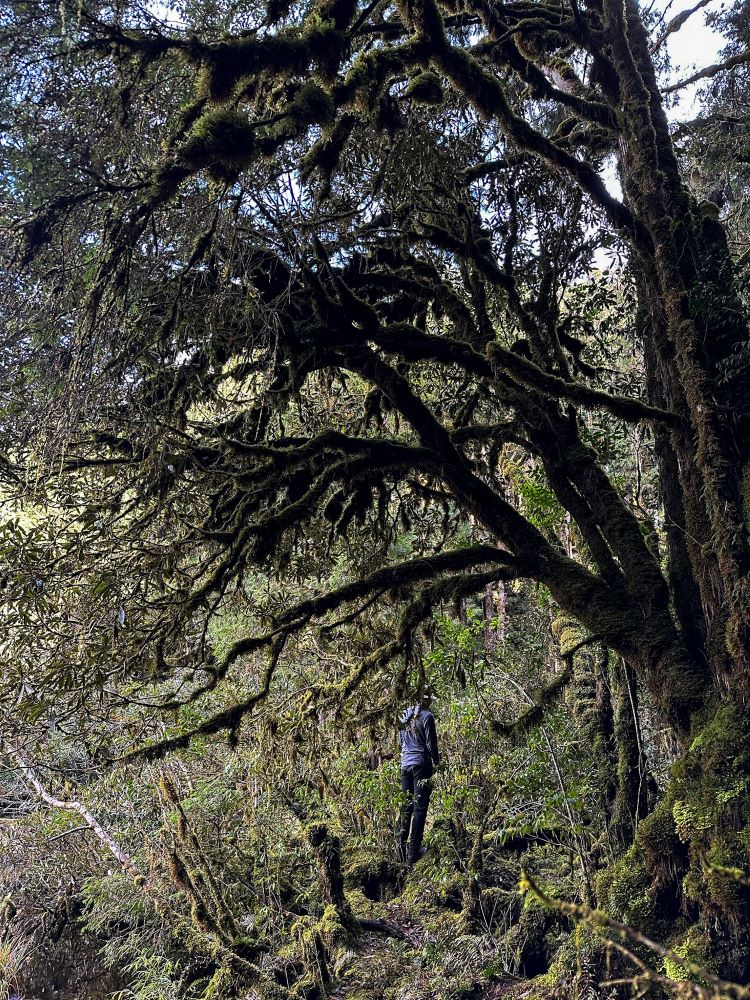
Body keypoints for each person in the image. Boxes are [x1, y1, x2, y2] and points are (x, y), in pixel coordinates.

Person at [397, 690, 440, 865]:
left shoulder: (404, 716)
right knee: (420, 809)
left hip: (405, 765)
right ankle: (413, 854)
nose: (430, 702)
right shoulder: (427, 717)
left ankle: (400, 851)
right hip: (421, 765)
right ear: (424, 700)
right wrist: (437, 764)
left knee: (406, 807)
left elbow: (401, 744)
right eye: (429, 699)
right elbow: (431, 745)